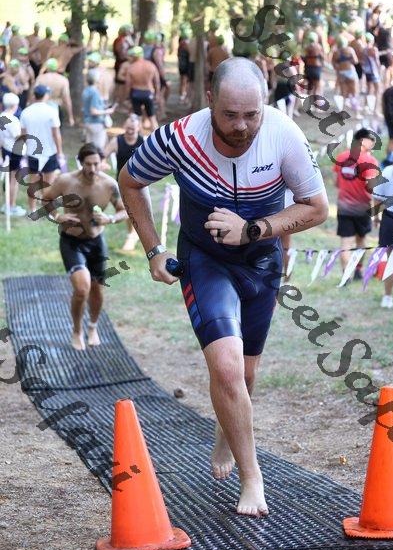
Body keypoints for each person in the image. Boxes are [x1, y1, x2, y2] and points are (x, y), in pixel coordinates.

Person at [119, 57, 328, 516]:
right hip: (205, 259)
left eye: (251, 114)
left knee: (246, 375)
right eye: (230, 115)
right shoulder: (179, 138)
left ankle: (225, 429)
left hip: (261, 262)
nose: (241, 127)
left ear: (264, 104)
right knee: (228, 367)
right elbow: (130, 180)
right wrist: (154, 250)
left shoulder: (284, 135)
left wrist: (251, 230)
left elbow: (316, 208)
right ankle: (253, 481)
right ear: (210, 100)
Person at [41, 142, 128, 350]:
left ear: (102, 162)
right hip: (72, 241)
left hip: (96, 242)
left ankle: (93, 326)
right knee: (82, 289)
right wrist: (58, 216)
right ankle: (77, 330)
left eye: (96, 164)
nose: (92, 168)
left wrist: (110, 219)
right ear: (80, 162)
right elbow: (46, 199)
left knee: (97, 289)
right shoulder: (65, 181)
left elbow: (124, 210)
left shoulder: (109, 184)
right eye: (88, 164)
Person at [332, 128, 379, 280]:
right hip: (362, 208)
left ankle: (346, 277)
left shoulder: (342, 156)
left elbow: (336, 182)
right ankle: (358, 271)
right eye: (372, 141)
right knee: (361, 240)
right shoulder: (370, 160)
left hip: (344, 206)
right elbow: (371, 187)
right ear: (363, 140)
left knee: (345, 243)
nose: (373, 144)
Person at [20, 84, 64, 212]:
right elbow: (56, 134)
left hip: (32, 152)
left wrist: (25, 150)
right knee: (48, 184)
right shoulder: (51, 111)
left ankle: (32, 209)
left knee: (33, 183)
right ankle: (47, 210)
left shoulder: (26, 112)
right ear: (45, 95)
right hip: (49, 151)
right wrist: (60, 152)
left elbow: (23, 135)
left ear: (34, 96)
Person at [104, 114, 144, 251]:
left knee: (131, 210)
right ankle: (132, 235)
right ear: (124, 127)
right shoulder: (117, 141)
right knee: (127, 209)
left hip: (140, 183)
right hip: (121, 182)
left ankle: (132, 236)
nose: (130, 130)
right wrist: (103, 163)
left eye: (133, 128)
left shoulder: (143, 141)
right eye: (128, 127)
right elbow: (103, 155)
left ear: (138, 128)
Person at [373, 154, 393, 308]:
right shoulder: (389, 171)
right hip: (390, 218)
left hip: (389, 220)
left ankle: (387, 296)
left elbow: (377, 197)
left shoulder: (388, 170)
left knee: (391, 260)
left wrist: (376, 218)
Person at [0, 92, 25, 216]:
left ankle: (7, 204)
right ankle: (11, 206)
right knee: (14, 180)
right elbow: (17, 136)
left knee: (8, 178)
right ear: (14, 105)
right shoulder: (13, 120)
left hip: (5, 149)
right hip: (15, 151)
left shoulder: (1, 116)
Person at [126, 46, 159, 132]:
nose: (129, 58)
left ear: (135, 56)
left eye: (131, 56)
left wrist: (128, 97)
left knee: (138, 118)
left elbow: (128, 84)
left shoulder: (131, 67)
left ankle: (140, 137)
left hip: (136, 93)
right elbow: (157, 82)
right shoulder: (151, 65)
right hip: (148, 93)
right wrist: (157, 94)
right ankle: (158, 138)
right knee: (152, 118)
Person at [35, 58, 74, 126]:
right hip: (56, 108)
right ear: (56, 68)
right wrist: (70, 117)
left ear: (47, 67)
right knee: (56, 129)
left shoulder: (40, 78)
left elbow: (33, 93)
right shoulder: (63, 80)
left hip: (42, 107)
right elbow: (67, 99)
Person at [83, 70, 116, 149]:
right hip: (96, 123)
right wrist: (107, 111)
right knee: (99, 149)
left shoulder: (86, 90)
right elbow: (93, 111)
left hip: (88, 122)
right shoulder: (95, 92)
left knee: (89, 148)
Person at [382, 74, 393, 154]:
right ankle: (391, 158)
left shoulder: (387, 91)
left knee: (391, 139)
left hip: (388, 118)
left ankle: (388, 157)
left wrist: (385, 116)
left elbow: (383, 104)